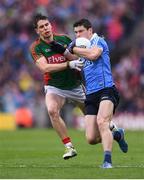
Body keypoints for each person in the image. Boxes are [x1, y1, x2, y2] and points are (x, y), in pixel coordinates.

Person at [69, 19, 128, 168]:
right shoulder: (81, 48)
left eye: (80, 31)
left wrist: (73, 49)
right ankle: (117, 135)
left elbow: (94, 55)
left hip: (106, 89)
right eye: (75, 32)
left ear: (90, 30)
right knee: (91, 138)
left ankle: (107, 161)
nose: (78, 34)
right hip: (91, 94)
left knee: (103, 122)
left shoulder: (99, 41)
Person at [29, 13, 85, 160]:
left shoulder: (64, 39)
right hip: (55, 87)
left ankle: (113, 130)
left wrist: (73, 60)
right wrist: (68, 64)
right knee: (52, 110)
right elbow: (45, 68)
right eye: (41, 27)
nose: (45, 28)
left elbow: (78, 59)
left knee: (94, 123)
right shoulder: (36, 47)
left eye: (47, 25)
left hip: (74, 85)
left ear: (51, 25)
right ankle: (69, 147)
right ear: (37, 31)